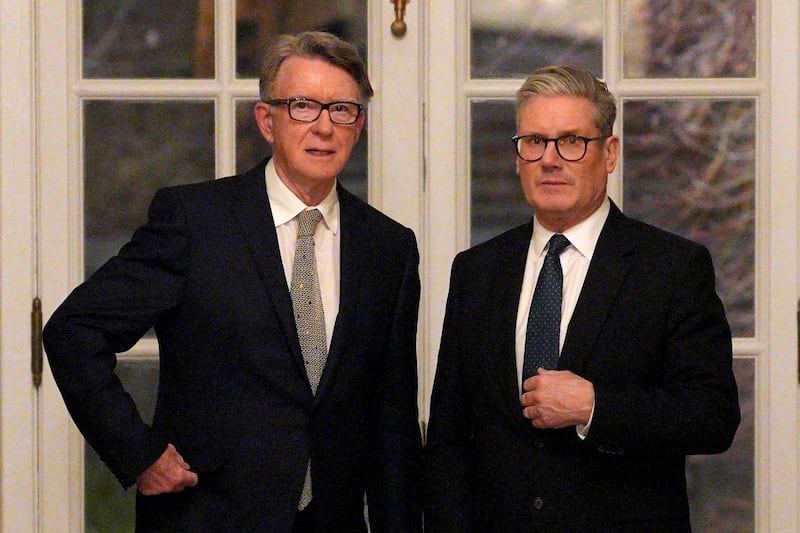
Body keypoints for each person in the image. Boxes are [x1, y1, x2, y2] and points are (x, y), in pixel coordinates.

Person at [43, 31, 422, 532]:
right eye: (304, 106)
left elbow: (391, 422)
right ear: (267, 120)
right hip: (207, 517)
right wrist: (138, 453)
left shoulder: (388, 248)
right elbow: (74, 331)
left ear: (360, 125)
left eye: (342, 110)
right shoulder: (195, 222)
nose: (324, 127)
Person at [423, 65, 740, 532]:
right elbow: (450, 438)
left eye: (572, 141)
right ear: (517, 157)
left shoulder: (671, 268)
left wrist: (595, 407)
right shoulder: (476, 271)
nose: (550, 159)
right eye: (534, 142)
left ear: (609, 153)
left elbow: (712, 417)